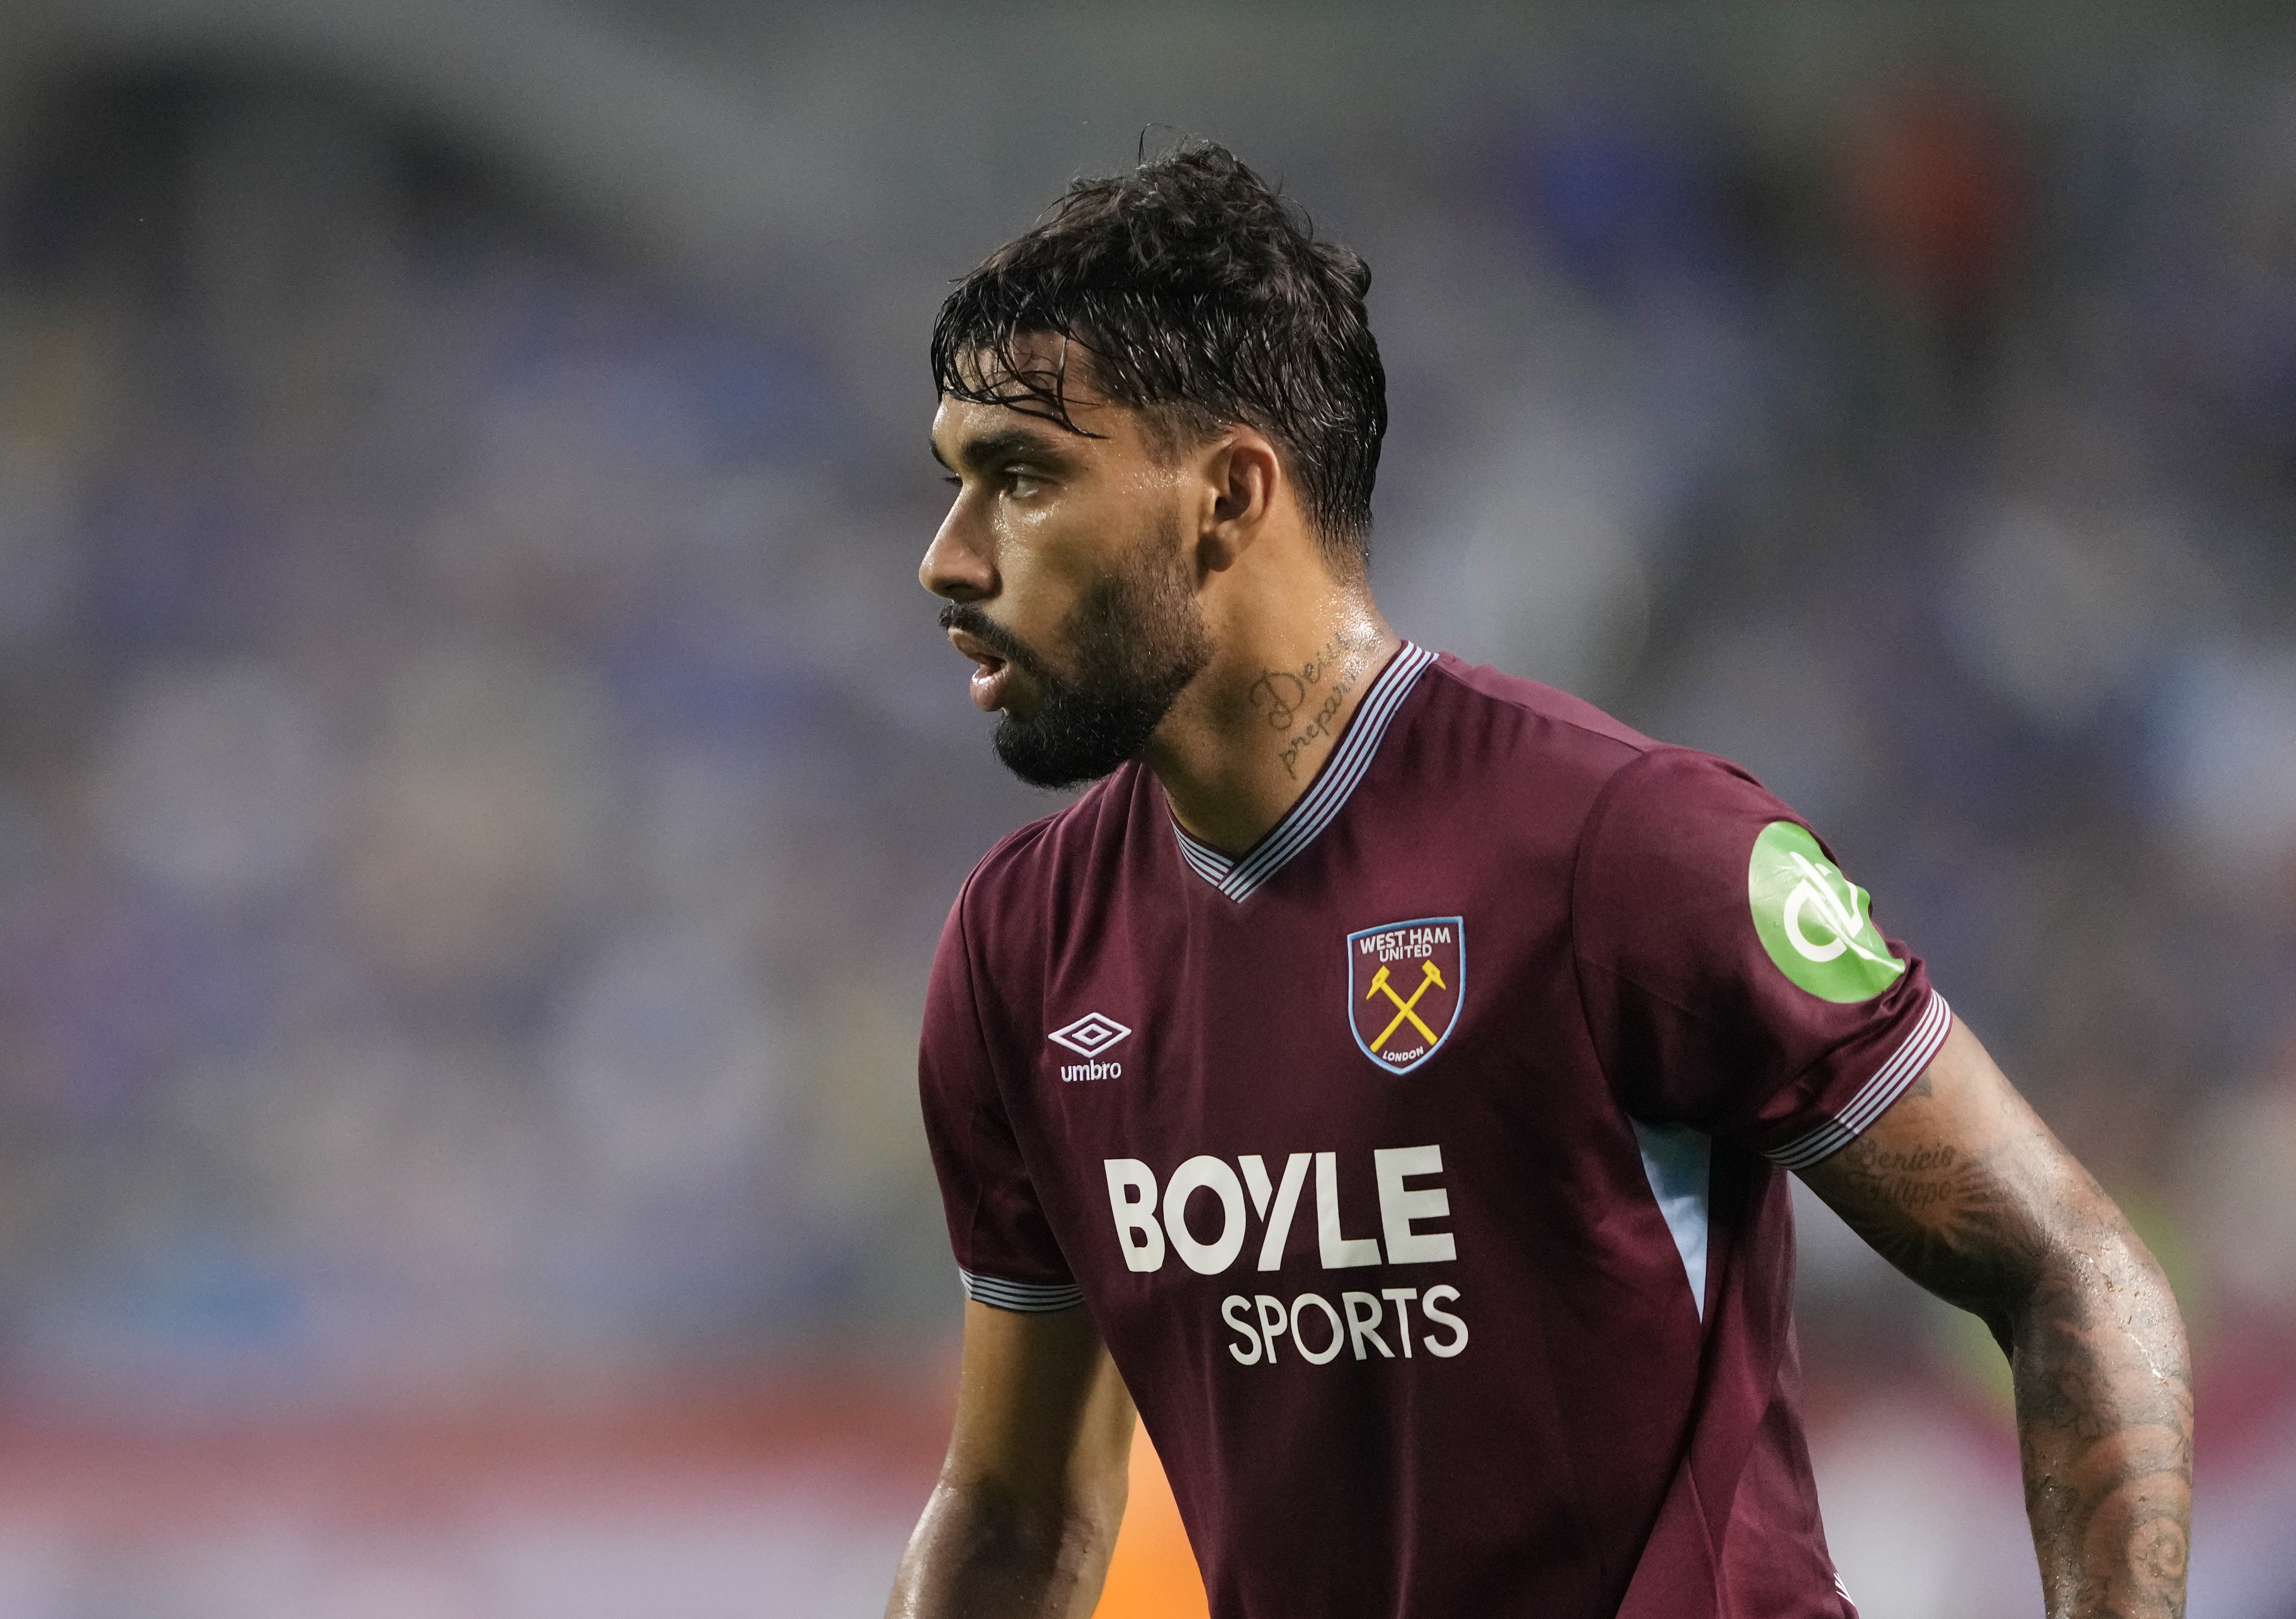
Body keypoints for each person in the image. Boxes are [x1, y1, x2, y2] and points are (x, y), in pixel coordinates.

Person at [886, 143, 2190, 1619]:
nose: (948, 558)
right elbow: (1013, 1513)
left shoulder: (1627, 851)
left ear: (1230, 497)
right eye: (955, 484)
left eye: (1022, 479)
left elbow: (2074, 1267)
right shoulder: (1021, 953)